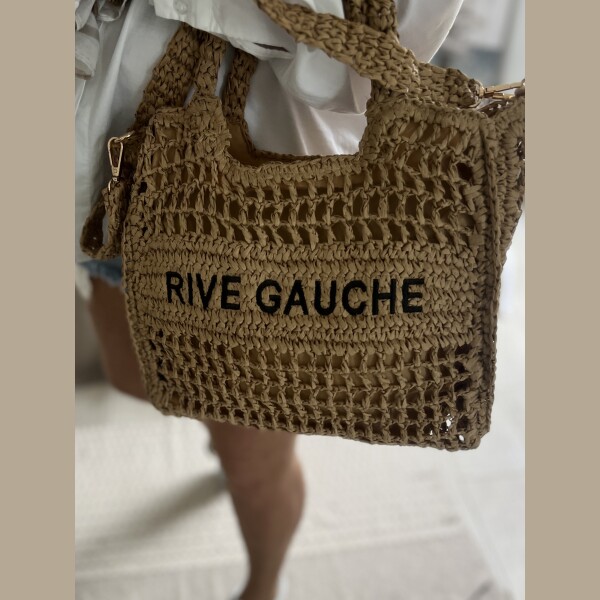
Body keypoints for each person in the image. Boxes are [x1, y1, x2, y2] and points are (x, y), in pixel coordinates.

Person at [75, 2, 464, 599]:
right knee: (134, 376)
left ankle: (263, 584)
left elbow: (381, 50)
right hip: (113, 166)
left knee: (255, 464)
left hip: (268, 205)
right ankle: (211, 413)